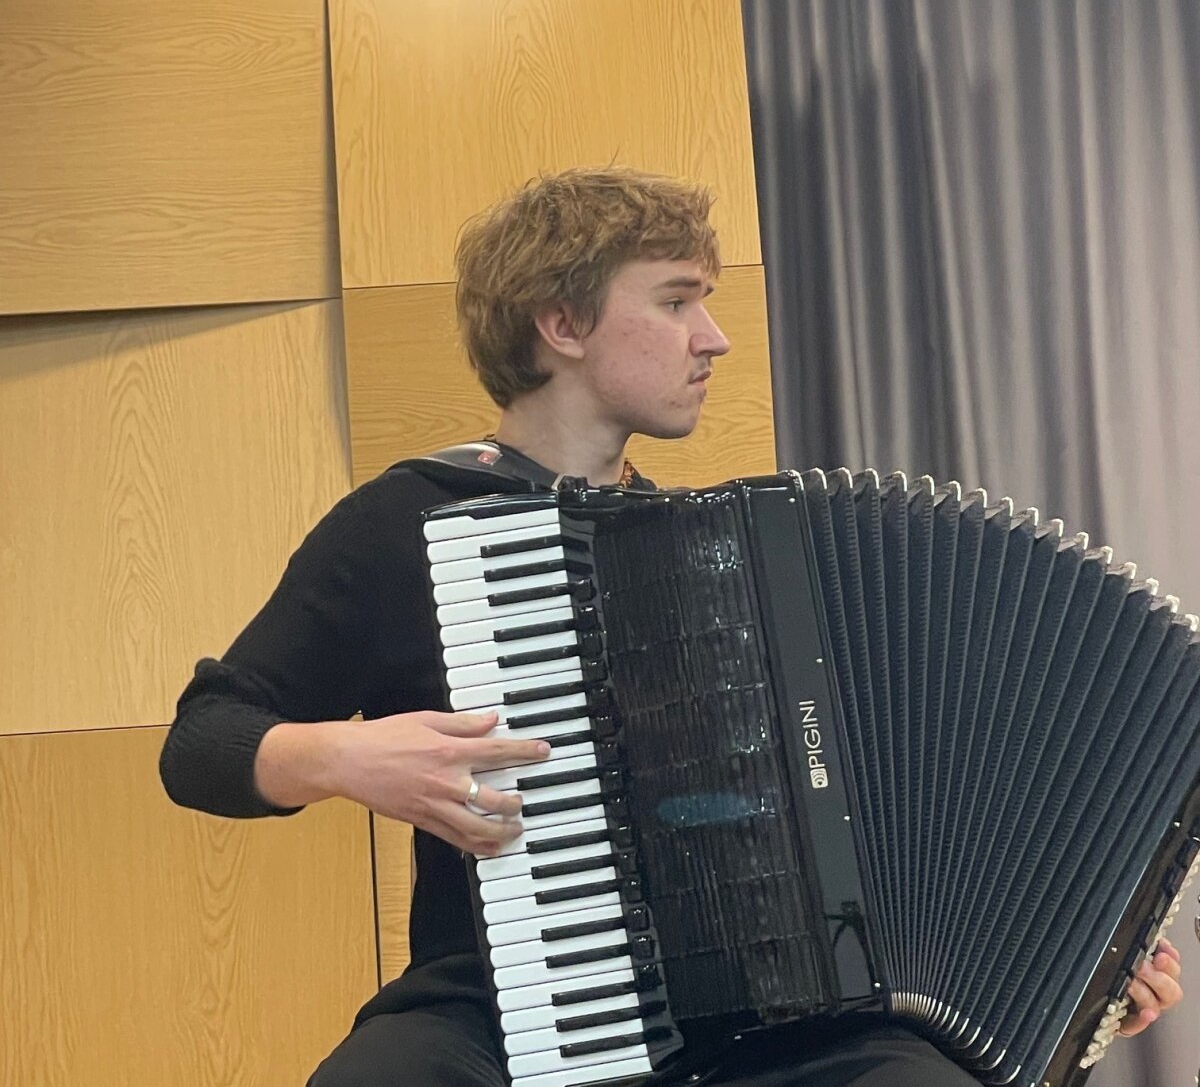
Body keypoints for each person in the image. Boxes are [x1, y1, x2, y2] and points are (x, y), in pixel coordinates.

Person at [160, 167, 1182, 1087]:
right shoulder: (408, 524)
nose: (713, 337)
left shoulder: (722, 562)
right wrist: (342, 757)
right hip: (494, 1012)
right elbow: (203, 740)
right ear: (563, 323)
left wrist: (1081, 966)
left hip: (751, 1024)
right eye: (677, 300)